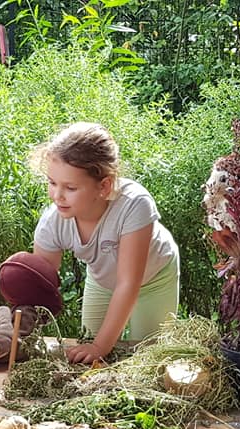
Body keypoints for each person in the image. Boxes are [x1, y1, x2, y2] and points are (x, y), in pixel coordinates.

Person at [30, 122, 180, 364]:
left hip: (154, 278)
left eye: (70, 187)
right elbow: (40, 284)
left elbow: (129, 282)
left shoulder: (134, 204)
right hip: (102, 280)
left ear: (104, 185)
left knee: (150, 358)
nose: (57, 195)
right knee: (87, 351)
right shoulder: (53, 222)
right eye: (52, 182)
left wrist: (100, 345)